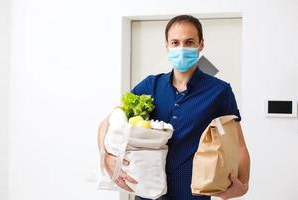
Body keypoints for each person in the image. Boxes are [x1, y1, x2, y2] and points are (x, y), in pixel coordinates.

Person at [97, 14, 250, 200]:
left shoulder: (219, 91)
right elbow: (109, 122)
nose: (182, 48)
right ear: (167, 46)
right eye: (175, 42)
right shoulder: (150, 86)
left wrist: (244, 184)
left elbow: (239, 145)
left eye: (189, 42)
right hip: (147, 193)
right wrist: (106, 157)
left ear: (201, 44)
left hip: (192, 194)